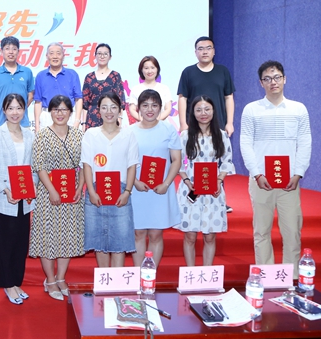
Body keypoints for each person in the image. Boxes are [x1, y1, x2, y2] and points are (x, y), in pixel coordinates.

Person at [240, 60, 311, 275]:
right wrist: (256, 173)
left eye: (277, 77)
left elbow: (305, 142)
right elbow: (245, 142)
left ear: (285, 79)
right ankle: (265, 276)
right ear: (261, 83)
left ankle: (292, 278)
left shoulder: (298, 109)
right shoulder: (251, 110)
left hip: (289, 180)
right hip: (261, 180)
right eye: (268, 78)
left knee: (292, 232)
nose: (273, 82)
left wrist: (298, 173)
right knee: (261, 232)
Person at [29, 95, 84, 301]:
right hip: (48, 192)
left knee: (67, 235)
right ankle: (50, 279)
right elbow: (39, 166)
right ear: (49, 112)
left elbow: (84, 165)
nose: (60, 113)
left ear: (70, 112)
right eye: (56, 109)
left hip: (72, 193)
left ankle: (61, 277)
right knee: (47, 236)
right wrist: (52, 190)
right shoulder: (42, 135)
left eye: (64, 110)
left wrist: (80, 187)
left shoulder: (79, 135)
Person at [0, 94, 36, 304]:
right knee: (6, 242)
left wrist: (32, 187)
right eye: (11, 108)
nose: (15, 112)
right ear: (4, 110)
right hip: (4, 197)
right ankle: (7, 284)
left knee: (21, 243)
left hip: (25, 197)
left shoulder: (30, 135)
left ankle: (16, 282)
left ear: (24, 110)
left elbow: (33, 167)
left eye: (19, 108)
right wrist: (5, 190)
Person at [177, 36, 235, 213]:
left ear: (214, 51)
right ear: (195, 52)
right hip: (194, 127)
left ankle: (218, 199)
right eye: (200, 48)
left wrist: (230, 122)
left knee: (217, 161)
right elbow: (182, 98)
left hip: (217, 125)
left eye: (208, 48)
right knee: (195, 162)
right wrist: (183, 124)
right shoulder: (188, 72)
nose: (204, 52)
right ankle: (192, 199)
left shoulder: (222, 71)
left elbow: (228, 97)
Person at [82, 92, 139, 267]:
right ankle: (104, 278)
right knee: (99, 240)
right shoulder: (90, 134)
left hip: (120, 192)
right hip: (96, 191)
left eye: (113, 107)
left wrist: (127, 192)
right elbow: (87, 165)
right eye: (104, 107)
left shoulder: (128, 134)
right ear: (98, 110)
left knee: (119, 242)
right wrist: (91, 192)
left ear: (120, 110)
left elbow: (132, 166)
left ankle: (117, 280)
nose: (109, 111)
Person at [176, 96, 235, 267]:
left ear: (213, 111)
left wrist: (219, 180)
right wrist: (187, 181)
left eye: (207, 109)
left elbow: (227, 161)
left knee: (210, 236)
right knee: (190, 236)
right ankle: (191, 272)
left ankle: (207, 273)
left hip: (213, 191)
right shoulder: (185, 135)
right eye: (199, 110)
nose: (203, 113)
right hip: (190, 190)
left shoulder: (221, 135)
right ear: (193, 113)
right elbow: (177, 162)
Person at [131, 89, 181, 268]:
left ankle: (150, 274)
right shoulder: (130, 132)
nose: (149, 109)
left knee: (155, 234)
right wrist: (135, 182)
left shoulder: (168, 129)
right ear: (138, 108)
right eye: (145, 105)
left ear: (160, 108)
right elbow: (124, 161)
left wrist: (166, 184)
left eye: (154, 105)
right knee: (138, 234)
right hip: (137, 189)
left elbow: (176, 160)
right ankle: (139, 275)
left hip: (160, 189)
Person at [0, 36, 35, 129]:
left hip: (23, 123)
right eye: (7, 49)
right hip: (1, 123)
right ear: (1, 52)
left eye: (14, 49)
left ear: (18, 52)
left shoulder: (27, 71)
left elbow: (30, 95)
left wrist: (19, 108)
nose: (11, 52)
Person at [34, 42, 83, 132]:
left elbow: (78, 99)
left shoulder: (72, 74)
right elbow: (38, 102)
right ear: (47, 56)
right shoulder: (40, 76)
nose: (55, 56)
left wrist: (77, 121)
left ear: (63, 56)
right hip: (47, 116)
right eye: (51, 53)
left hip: (68, 115)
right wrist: (37, 126)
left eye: (58, 53)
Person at [81, 43, 126, 130]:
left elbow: (120, 100)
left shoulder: (115, 76)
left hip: (110, 115)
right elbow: (85, 103)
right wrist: (83, 123)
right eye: (99, 54)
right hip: (92, 118)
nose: (102, 56)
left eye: (105, 54)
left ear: (110, 57)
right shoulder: (89, 77)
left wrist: (119, 118)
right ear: (95, 56)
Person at [128, 56, 173, 122]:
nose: (149, 71)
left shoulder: (164, 88)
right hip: (142, 125)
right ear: (141, 70)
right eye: (146, 68)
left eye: (152, 68)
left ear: (157, 69)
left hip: (161, 125)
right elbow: (132, 109)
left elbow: (168, 109)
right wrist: (144, 121)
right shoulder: (136, 89)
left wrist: (155, 121)